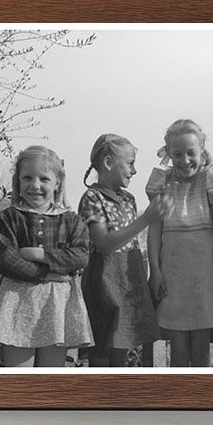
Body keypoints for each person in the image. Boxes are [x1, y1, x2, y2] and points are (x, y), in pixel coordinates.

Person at [0, 145, 92, 367]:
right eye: (27, 178)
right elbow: (7, 260)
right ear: (18, 182)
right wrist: (50, 274)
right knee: (19, 376)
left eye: (44, 179)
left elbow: (80, 256)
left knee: (50, 377)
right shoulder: (8, 218)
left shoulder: (71, 220)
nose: (35, 185)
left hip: (57, 306)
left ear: (57, 183)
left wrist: (40, 254)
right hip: (18, 303)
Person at [78, 134, 168, 367]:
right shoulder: (92, 197)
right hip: (105, 282)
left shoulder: (128, 198)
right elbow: (104, 244)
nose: (134, 170)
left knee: (122, 346)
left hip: (130, 278)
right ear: (108, 163)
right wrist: (146, 219)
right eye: (130, 163)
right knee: (101, 350)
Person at [145, 119, 213, 367]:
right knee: (178, 349)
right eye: (177, 154)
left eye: (191, 153)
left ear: (202, 150)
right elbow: (154, 230)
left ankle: (201, 399)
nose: (184, 160)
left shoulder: (210, 177)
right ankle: (177, 399)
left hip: (203, 274)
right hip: (173, 273)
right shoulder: (162, 180)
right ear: (168, 153)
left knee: (201, 349)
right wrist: (155, 271)